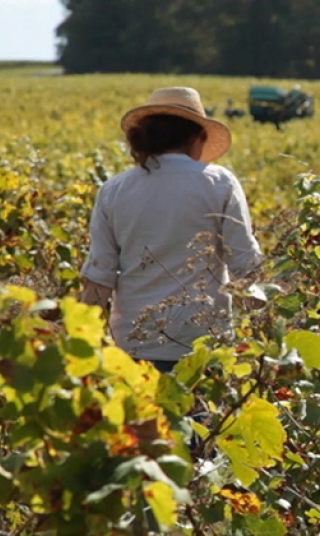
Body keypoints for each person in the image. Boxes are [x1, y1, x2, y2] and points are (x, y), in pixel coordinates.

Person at [79, 87, 264, 373]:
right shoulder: (219, 183)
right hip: (203, 347)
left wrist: (82, 350)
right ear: (196, 137)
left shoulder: (114, 190)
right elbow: (245, 266)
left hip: (134, 347)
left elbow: (99, 278)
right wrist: (265, 342)